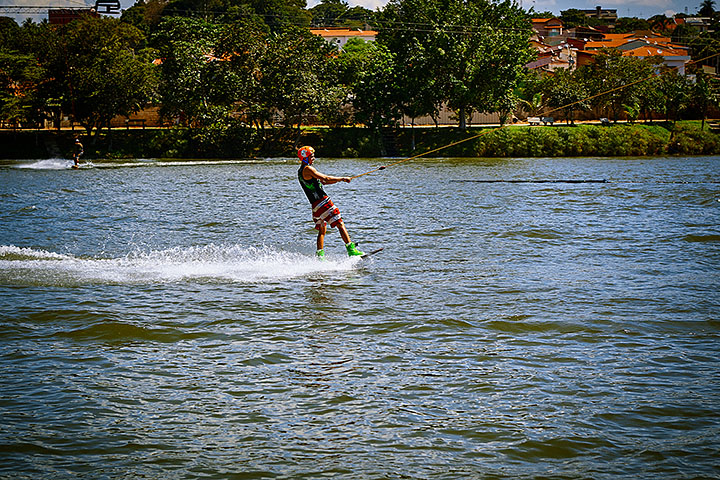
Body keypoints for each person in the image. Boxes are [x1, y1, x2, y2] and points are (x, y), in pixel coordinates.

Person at [297, 146, 364, 259]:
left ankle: (320, 256)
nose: (314, 158)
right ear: (305, 157)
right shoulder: (308, 169)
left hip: (315, 207)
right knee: (339, 223)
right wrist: (342, 178)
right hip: (323, 202)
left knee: (322, 230)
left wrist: (340, 181)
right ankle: (351, 249)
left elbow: (324, 182)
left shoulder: (301, 171)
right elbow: (326, 178)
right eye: (311, 156)